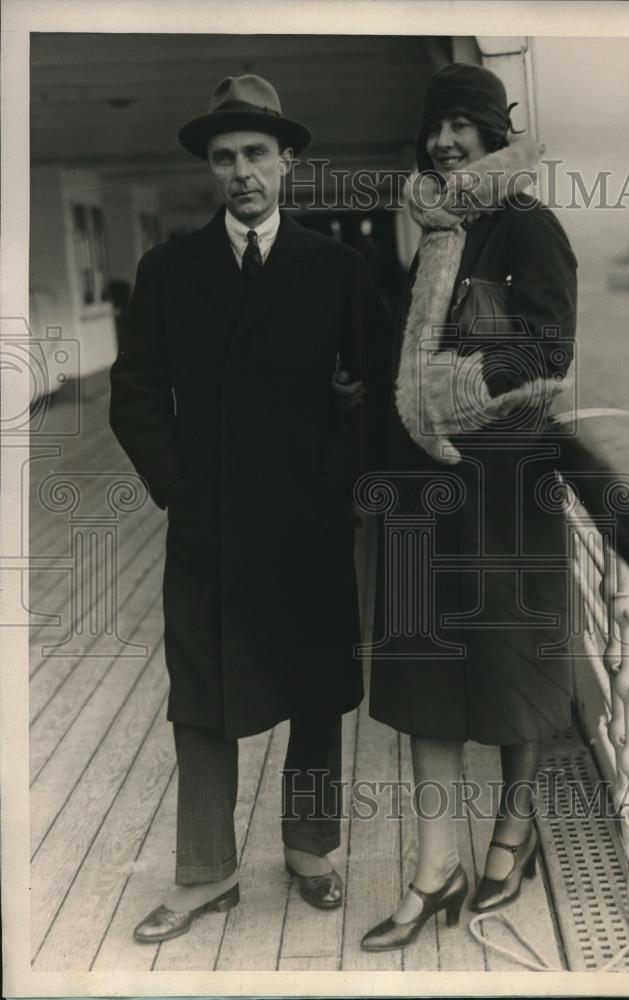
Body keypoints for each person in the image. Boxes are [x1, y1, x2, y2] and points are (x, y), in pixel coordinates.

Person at [109, 73, 390, 942]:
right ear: (210, 169)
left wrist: (336, 479)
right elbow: (136, 394)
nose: (241, 172)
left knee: (311, 688)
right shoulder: (168, 269)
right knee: (201, 697)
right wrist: (181, 486)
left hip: (303, 523)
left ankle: (310, 851)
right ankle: (206, 874)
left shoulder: (337, 267)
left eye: (256, 154)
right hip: (210, 525)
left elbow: (377, 388)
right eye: (224, 157)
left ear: (289, 163)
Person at [361, 62, 577, 951]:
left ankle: (514, 835)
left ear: (495, 134)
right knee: (422, 683)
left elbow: (550, 350)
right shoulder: (428, 227)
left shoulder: (528, 226)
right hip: (422, 490)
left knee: (511, 671)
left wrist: (448, 386)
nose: (445, 143)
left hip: (503, 487)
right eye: (436, 128)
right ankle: (433, 871)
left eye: (462, 126)